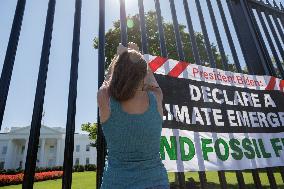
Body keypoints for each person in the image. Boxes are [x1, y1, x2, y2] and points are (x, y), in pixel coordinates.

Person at [97, 42, 169, 189]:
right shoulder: (156, 96)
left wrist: (120, 55)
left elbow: (107, 80)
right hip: (156, 182)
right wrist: (135, 55)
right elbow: (151, 80)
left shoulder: (105, 98)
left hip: (116, 183)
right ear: (142, 73)